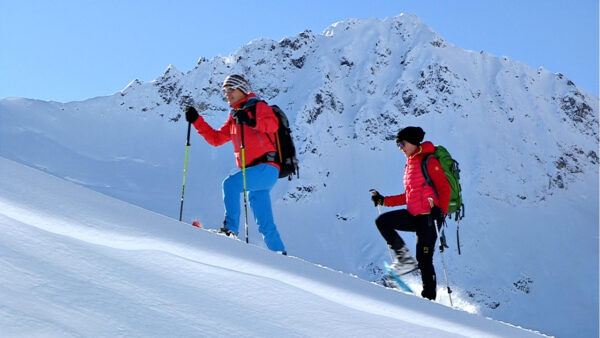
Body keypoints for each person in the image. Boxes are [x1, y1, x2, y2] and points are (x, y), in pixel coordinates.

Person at [184, 74, 286, 254]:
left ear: (242, 89)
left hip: (266, 167)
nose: (227, 94)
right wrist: (196, 120)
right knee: (265, 222)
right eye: (225, 91)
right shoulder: (234, 116)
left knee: (230, 184)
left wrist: (251, 120)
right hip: (255, 172)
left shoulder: (258, 106)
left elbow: (273, 125)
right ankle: (279, 254)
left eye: (231, 89)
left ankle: (230, 230)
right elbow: (216, 139)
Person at [370, 126, 450, 300]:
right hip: (414, 215)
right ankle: (404, 258)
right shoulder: (410, 163)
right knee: (383, 221)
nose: (400, 147)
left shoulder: (429, 161)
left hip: (430, 218)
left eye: (402, 143)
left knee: (424, 259)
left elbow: (445, 188)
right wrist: (384, 200)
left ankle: (428, 299)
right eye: (398, 144)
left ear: (413, 142)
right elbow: (410, 195)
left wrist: (440, 211)